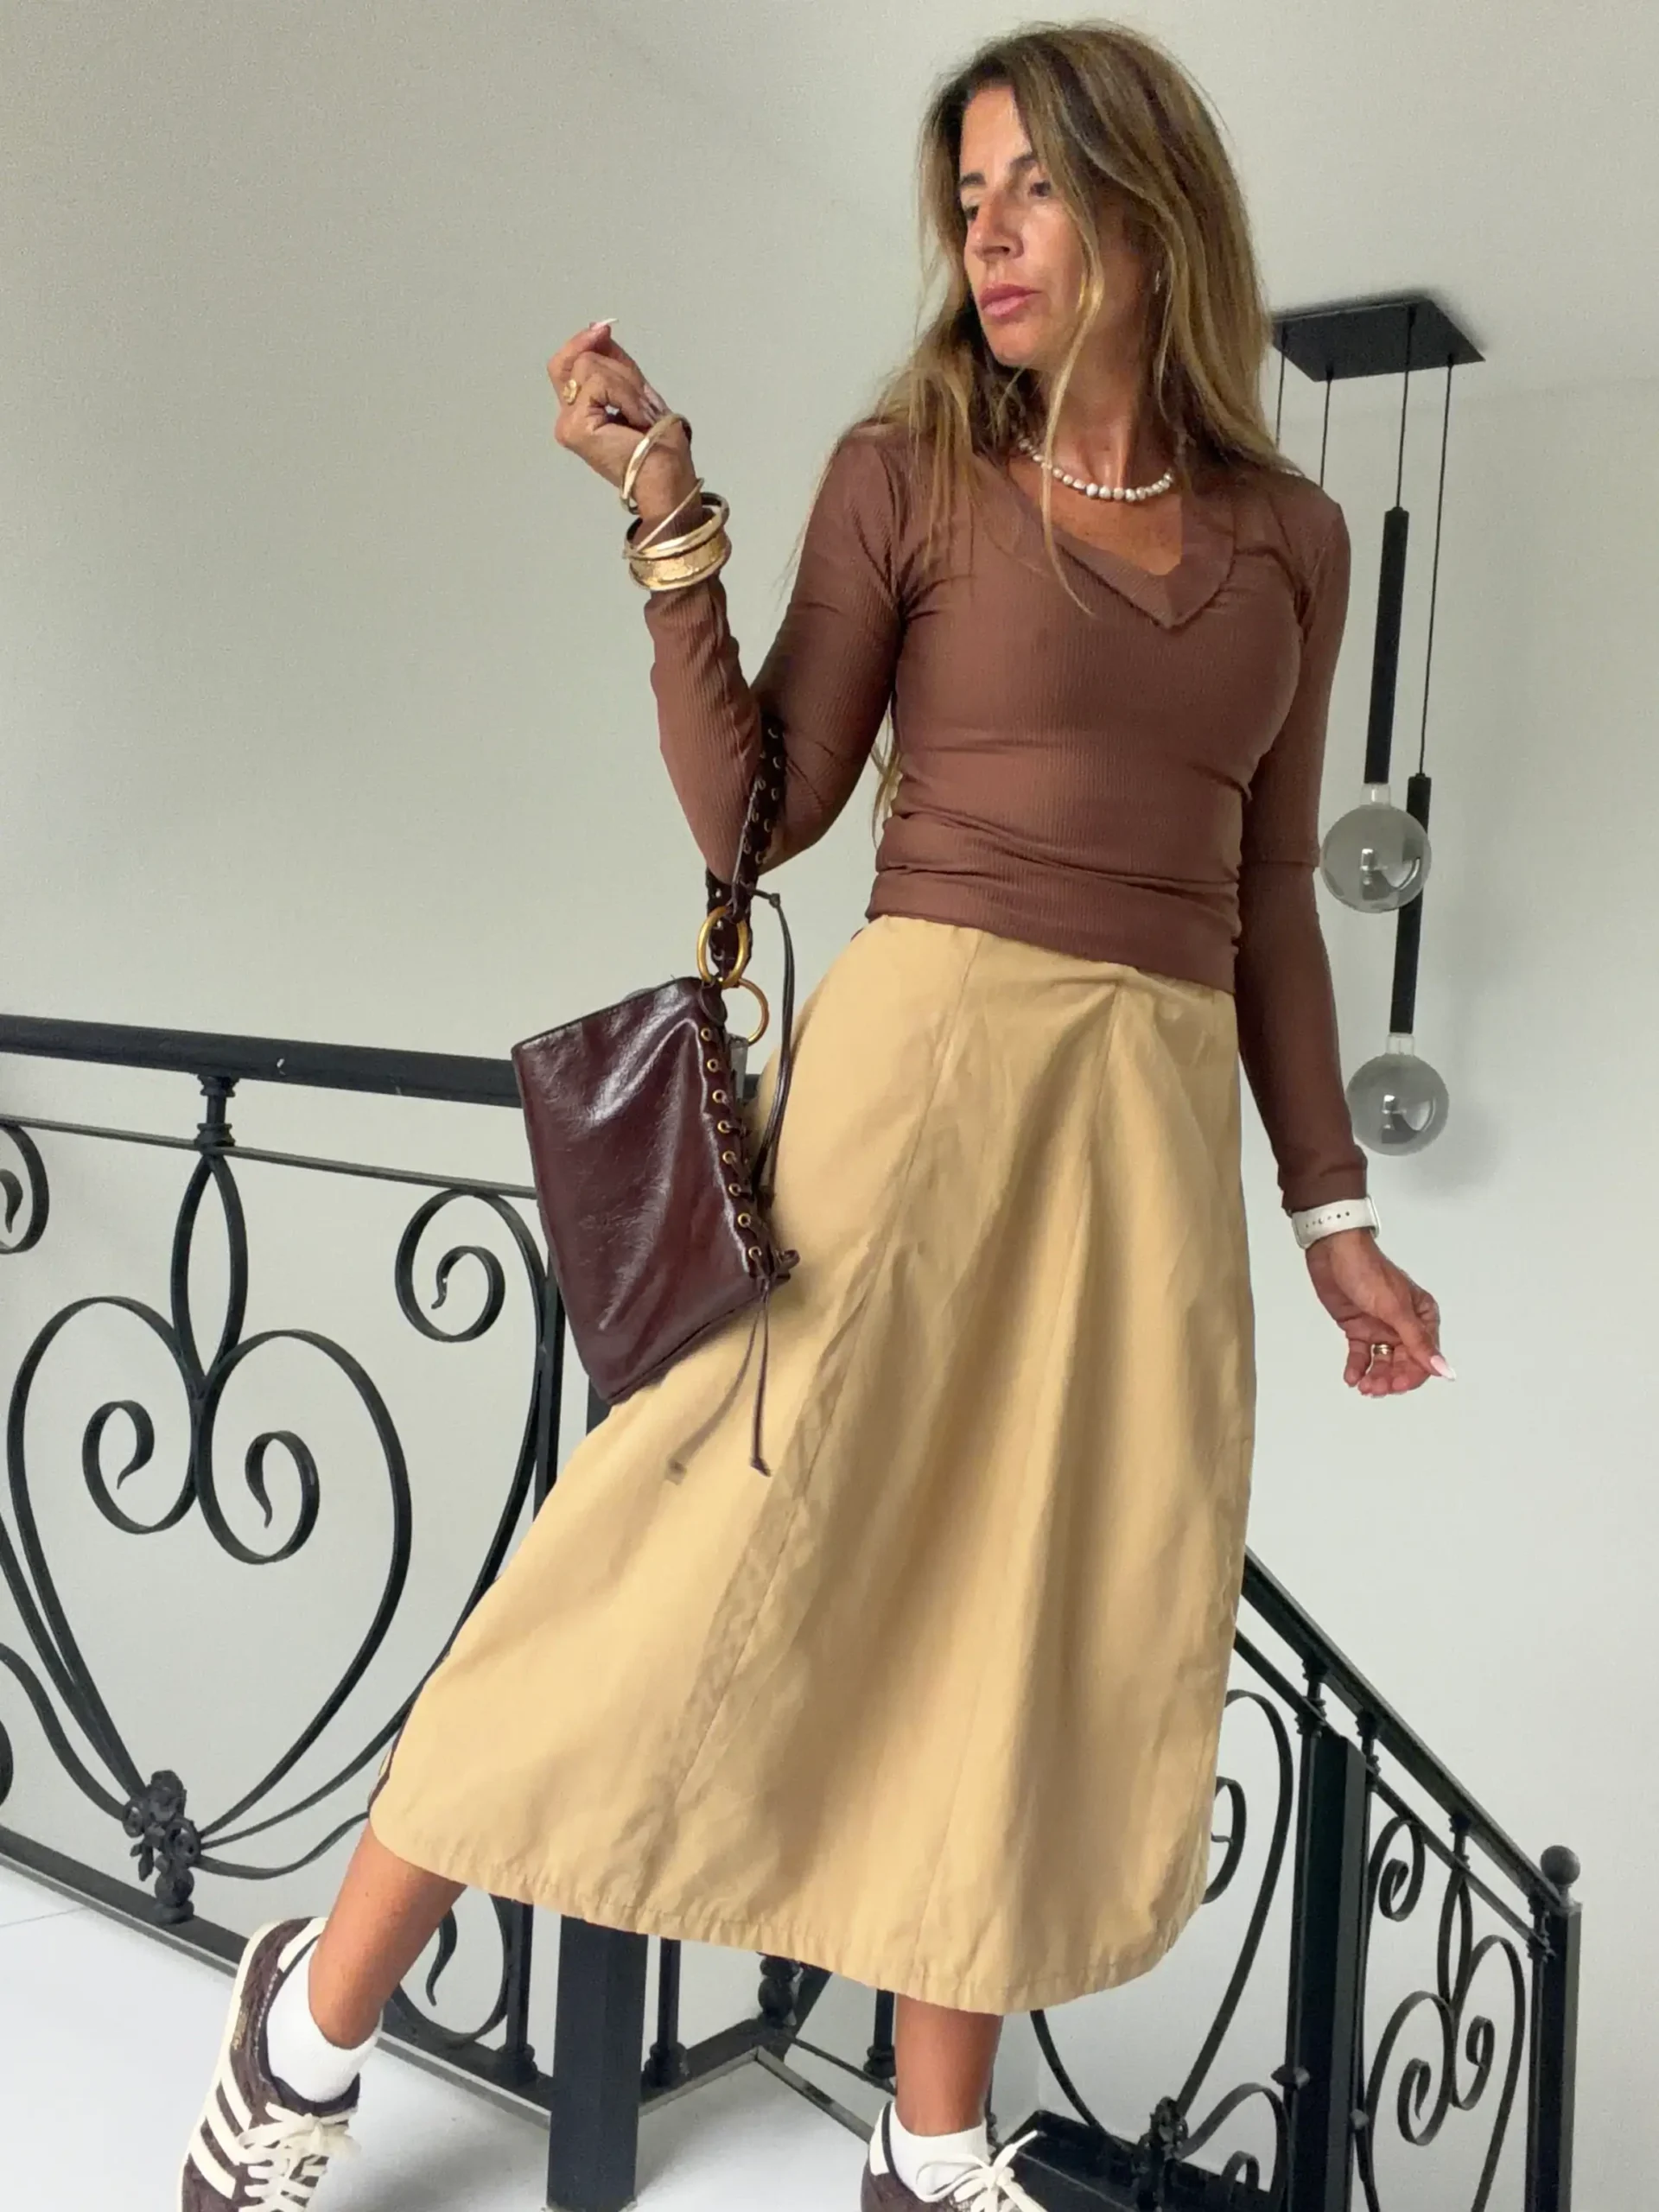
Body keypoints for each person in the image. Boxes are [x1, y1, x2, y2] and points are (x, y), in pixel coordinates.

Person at [180, 19, 1450, 2211]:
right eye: (968, 196)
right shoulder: (912, 471)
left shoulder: (1297, 538)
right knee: (667, 1552)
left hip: (1144, 1141)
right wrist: (668, 522)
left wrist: (1332, 1213)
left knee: (1030, 1609)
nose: (990, 233)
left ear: (1151, 206)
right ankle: (307, 2020)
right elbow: (762, 813)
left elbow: (1271, 891)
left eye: (1033, 186)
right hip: (917, 1095)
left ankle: (927, 2141)